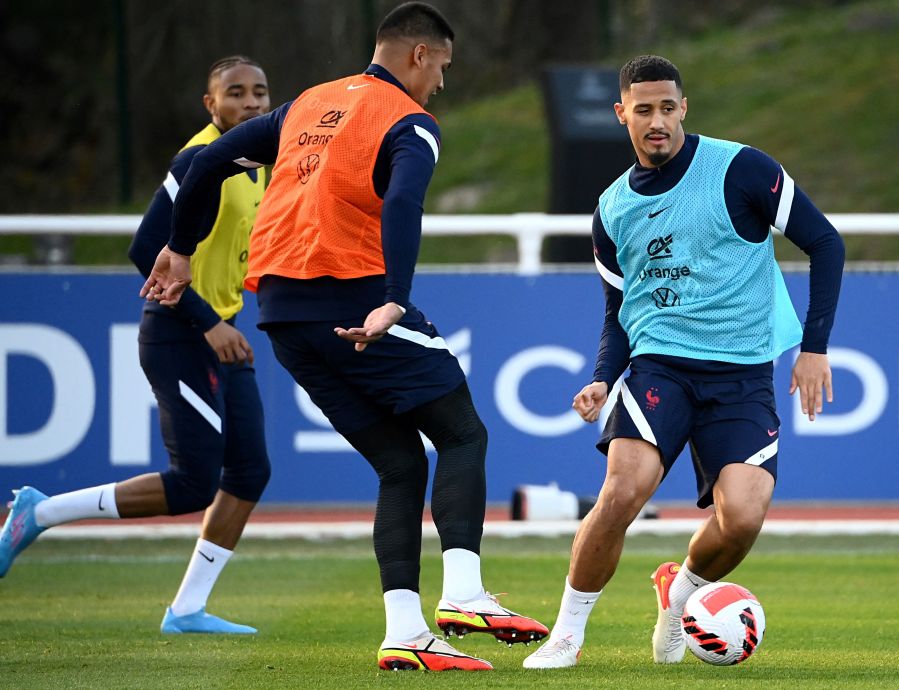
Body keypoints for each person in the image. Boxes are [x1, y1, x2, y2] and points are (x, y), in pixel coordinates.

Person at [139, 2, 548, 672]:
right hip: (354, 302)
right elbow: (406, 203)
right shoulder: (409, 120)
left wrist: (179, 248)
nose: (441, 82)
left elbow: (208, 160)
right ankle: (467, 594)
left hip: (281, 318)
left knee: (399, 463)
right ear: (420, 55)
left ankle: (405, 632)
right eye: (442, 66)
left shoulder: (307, 104)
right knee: (463, 433)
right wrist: (395, 300)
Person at [524, 55, 845, 669]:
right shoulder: (613, 209)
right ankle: (565, 634)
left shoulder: (741, 169)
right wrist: (601, 377)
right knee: (623, 491)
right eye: (643, 110)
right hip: (659, 370)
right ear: (622, 115)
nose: (657, 121)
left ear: (684, 109)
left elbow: (825, 241)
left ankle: (682, 594)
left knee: (744, 518)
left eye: (668, 107)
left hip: (743, 374)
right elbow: (620, 309)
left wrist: (814, 347)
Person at [0, 56, 273, 635]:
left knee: (249, 471)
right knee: (194, 483)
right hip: (179, 333)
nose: (250, 103)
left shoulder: (256, 163)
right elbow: (146, 245)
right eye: (235, 93)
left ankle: (187, 610)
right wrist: (208, 322)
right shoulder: (199, 158)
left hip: (219, 331)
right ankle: (38, 513)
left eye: (259, 92)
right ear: (211, 104)